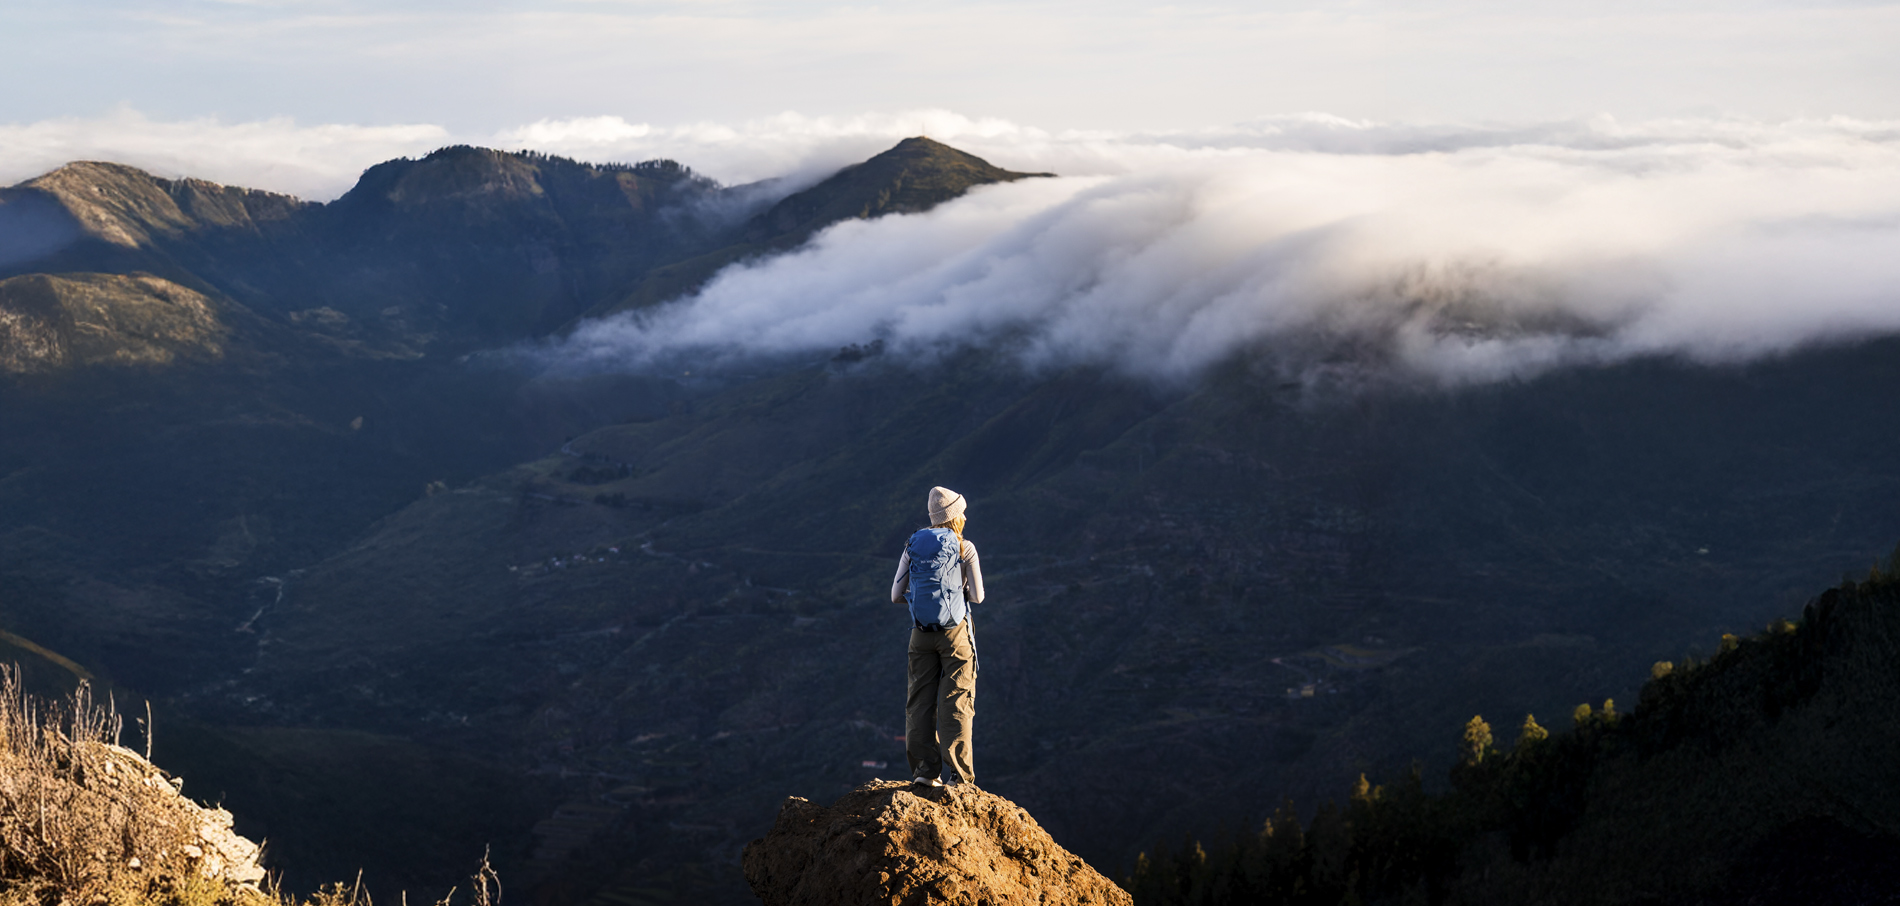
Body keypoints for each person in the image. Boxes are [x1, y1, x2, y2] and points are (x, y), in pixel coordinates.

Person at [891, 485, 985, 788]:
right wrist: (959, 594)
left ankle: (924, 772)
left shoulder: (912, 546)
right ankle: (960, 777)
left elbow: (895, 595)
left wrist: (921, 600)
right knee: (955, 701)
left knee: (919, 702)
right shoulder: (964, 547)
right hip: (955, 633)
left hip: (920, 634)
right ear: (955, 516)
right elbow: (979, 597)